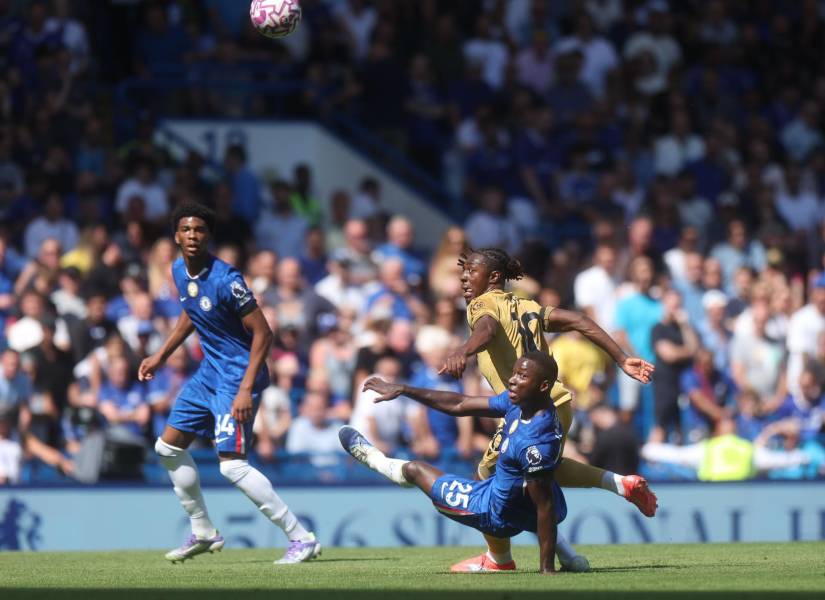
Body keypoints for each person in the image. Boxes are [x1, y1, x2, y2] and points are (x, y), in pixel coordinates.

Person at [439, 247, 657, 573]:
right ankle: (619, 485)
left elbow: (487, 329)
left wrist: (464, 350)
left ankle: (499, 560)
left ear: (493, 277)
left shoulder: (482, 304)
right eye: (464, 272)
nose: (465, 278)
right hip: (559, 403)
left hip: (527, 410)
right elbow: (580, 320)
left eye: (472, 271)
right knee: (541, 472)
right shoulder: (528, 305)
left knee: (486, 477)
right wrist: (621, 357)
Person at [138, 203, 320, 565]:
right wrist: (161, 355)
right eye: (186, 230)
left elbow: (264, 333)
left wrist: (244, 388)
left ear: (209, 236)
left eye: (200, 230)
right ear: (176, 236)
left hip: (237, 374)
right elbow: (192, 314)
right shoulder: (177, 270)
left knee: (232, 465)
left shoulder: (226, 278)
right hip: (209, 373)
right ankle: (203, 529)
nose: (193, 236)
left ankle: (301, 537)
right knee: (167, 448)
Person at [342, 353, 571, 574]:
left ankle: (374, 459)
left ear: (542, 386)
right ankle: (564, 556)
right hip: (535, 502)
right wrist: (404, 389)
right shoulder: (522, 403)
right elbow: (460, 404)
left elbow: (544, 507)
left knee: (416, 469)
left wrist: (547, 570)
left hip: (495, 514)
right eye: (514, 373)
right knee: (502, 477)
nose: (512, 380)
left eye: (522, 376)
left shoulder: (536, 441)